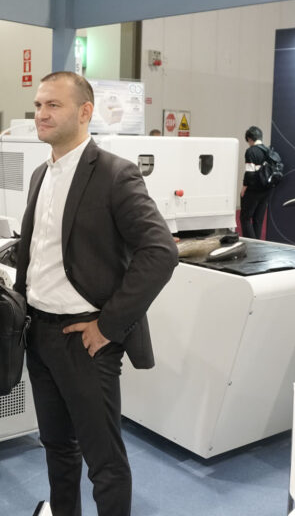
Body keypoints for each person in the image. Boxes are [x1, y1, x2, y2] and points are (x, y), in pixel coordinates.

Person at [14, 71, 178, 516]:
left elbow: (160, 252)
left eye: (53, 105)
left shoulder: (114, 175)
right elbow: (43, 248)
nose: (41, 114)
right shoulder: (40, 174)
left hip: (84, 341)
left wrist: (107, 326)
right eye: (38, 105)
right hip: (39, 334)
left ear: (85, 112)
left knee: (104, 462)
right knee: (56, 447)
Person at [240, 125, 272, 239]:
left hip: (253, 190)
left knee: (245, 218)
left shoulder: (251, 151)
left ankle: (250, 245)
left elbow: (249, 174)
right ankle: (257, 244)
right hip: (266, 190)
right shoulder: (268, 151)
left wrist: (243, 189)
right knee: (258, 220)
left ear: (249, 139)